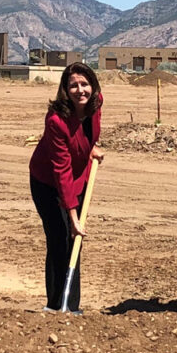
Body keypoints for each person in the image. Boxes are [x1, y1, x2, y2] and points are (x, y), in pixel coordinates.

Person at [29, 61, 104, 312]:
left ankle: (72, 306)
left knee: (75, 242)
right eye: (73, 85)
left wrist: (89, 148)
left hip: (79, 176)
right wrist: (73, 216)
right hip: (48, 182)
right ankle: (55, 305)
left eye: (84, 84)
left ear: (93, 86)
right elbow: (60, 170)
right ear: (64, 89)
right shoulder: (56, 121)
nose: (80, 90)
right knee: (61, 237)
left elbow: (87, 133)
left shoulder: (96, 103)